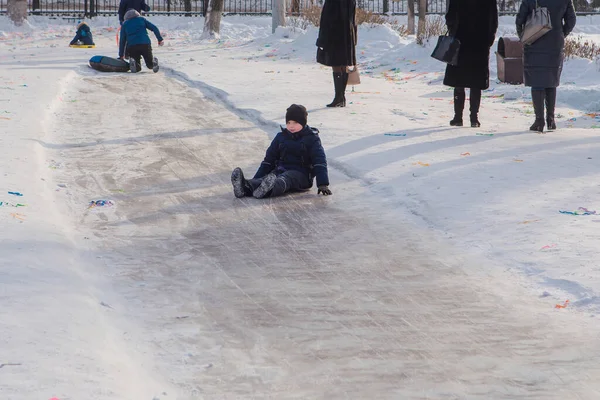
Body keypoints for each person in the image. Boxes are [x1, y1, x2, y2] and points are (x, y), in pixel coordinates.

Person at [231, 104, 332, 199]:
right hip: (281, 169)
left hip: (302, 175)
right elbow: (268, 161)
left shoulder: (312, 139)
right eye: (288, 123)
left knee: (285, 178)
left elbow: (319, 161)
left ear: (303, 123)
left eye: (295, 123)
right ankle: (245, 187)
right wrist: (256, 179)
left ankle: (269, 190)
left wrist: (322, 184)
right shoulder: (281, 137)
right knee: (268, 178)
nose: (291, 126)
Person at [516, 0, 576, 133]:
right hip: (555, 44)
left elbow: (520, 19)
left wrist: (524, 37)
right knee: (551, 80)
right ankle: (551, 120)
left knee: (537, 81)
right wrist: (560, 33)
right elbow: (571, 20)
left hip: (534, 41)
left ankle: (539, 120)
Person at [444, 0, 498, 127]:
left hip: (460, 40)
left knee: (459, 80)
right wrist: (489, 37)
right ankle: (474, 118)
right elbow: (493, 18)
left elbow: (450, 16)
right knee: (476, 81)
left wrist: (452, 30)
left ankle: (458, 117)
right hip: (480, 42)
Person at [315, 0, 357, 108]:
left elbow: (327, 19)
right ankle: (341, 97)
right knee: (343, 64)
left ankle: (339, 97)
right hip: (347, 33)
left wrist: (322, 38)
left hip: (335, 33)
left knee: (336, 64)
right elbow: (353, 17)